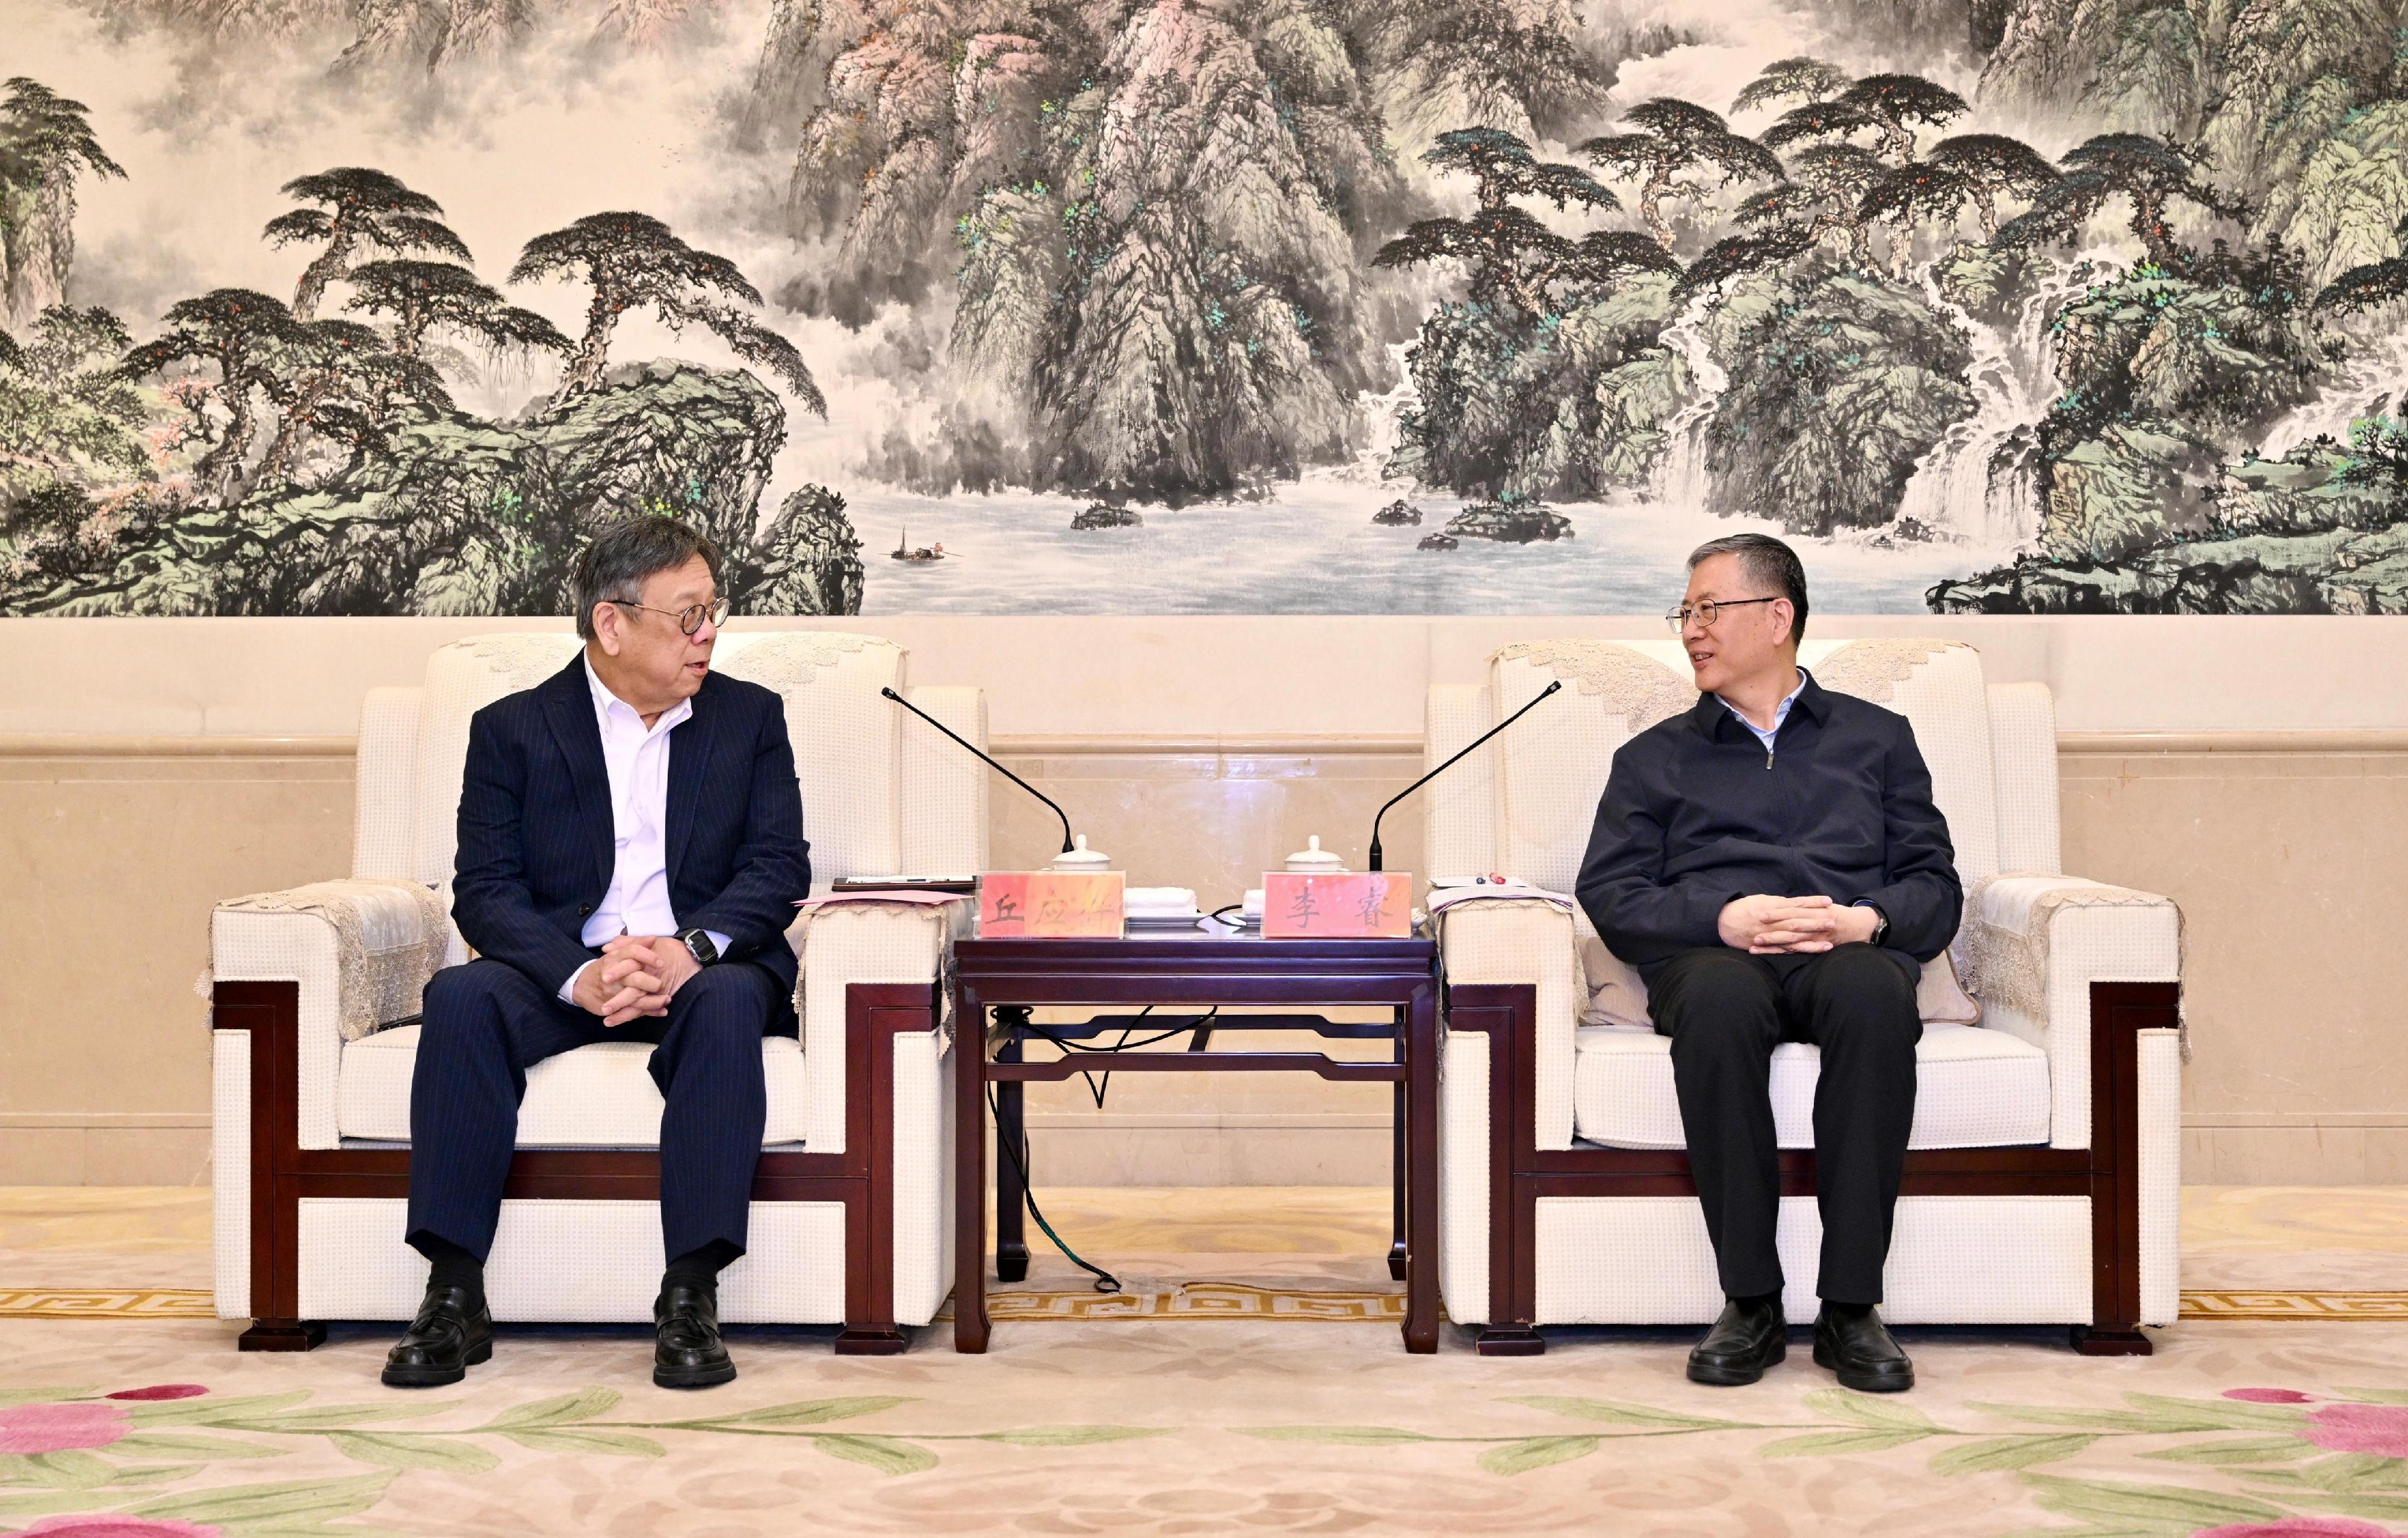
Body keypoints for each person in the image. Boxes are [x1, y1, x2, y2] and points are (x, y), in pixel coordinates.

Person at [383, 516, 811, 1391]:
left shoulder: (750, 720)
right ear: (612, 625)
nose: (709, 635)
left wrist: (689, 951)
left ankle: (691, 1289)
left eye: (713, 612)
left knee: (731, 1001)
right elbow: (487, 890)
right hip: (567, 973)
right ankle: (453, 1292)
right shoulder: (513, 729)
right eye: (688, 616)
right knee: (462, 1001)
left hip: (706, 970)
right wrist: (579, 974)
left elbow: (778, 868)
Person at [1574, 533, 1960, 1393]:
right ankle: (1748, 1300)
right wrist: (1723, 918)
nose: (1691, 631)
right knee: (1714, 1001)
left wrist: (1866, 920)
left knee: (1870, 996)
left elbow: (1936, 885)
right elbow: (1612, 892)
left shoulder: (1880, 740)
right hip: (1715, 959)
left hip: (1842, 954)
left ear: (1778, 617)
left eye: (1709, 610)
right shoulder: (1653, 758)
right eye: (1686, 613)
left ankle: (1851, 1309)